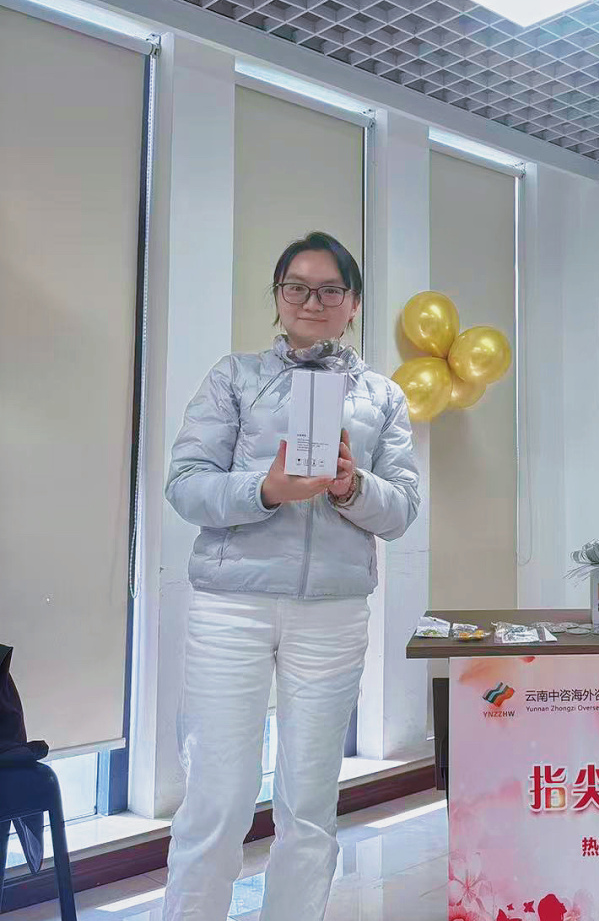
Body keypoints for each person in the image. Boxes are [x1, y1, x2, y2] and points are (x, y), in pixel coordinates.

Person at [162, 231, 420, 921]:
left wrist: (351, 486)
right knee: (217, 797)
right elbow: (185, 485)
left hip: (332, 613)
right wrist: (266, 489)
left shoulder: (383, 397)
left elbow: (401, 511)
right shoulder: (234, 377)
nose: (312, 301)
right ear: (277, 297)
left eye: (330, 289)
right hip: (232, 606)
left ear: (353, 303)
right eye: (296, 287)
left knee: (309, 804)